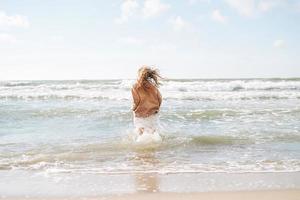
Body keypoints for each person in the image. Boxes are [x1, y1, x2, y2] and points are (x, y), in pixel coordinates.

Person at [131, 66, 162, 143]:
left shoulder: (135, 86)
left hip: (140, 112)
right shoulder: (153, 86)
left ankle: (142, 148)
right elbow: (160, 98)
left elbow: (137, 101)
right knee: (152, 130)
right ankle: (155, 144)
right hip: (153, 112)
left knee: (141, 131)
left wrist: (134, 109)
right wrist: (157, 107)